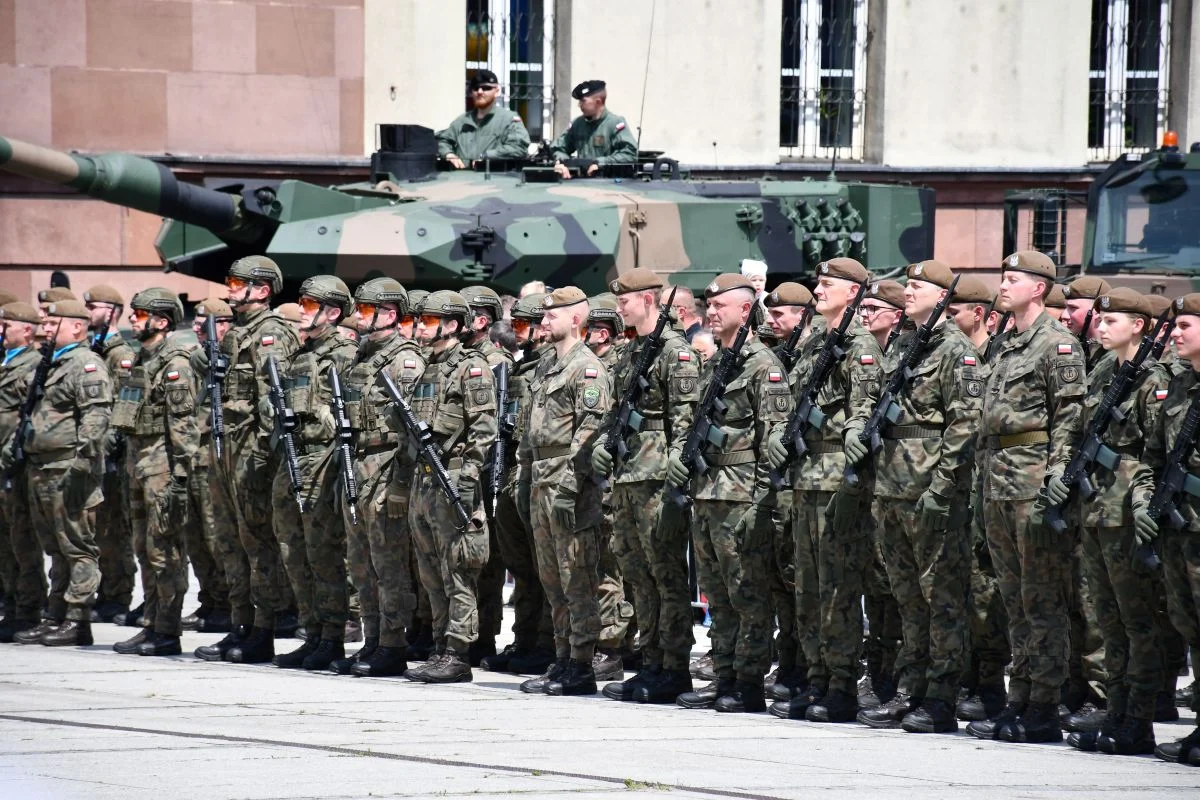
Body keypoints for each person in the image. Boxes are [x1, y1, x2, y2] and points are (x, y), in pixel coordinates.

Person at [856, 261, 981, 734]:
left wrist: (942, 487)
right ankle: (911, 688)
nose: (907, 292)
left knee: (941, 598)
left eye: (916, 286)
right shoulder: (906, 344)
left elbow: (964, 425)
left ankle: (942, 696)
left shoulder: (955, 350)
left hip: (929, 491)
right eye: (907, 285)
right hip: (891, 488)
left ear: (942, 296)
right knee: (908, 599)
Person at [966, 250, 1086, 745]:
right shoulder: (1005, 343)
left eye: (1012, 278)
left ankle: (1044, 705)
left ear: (1039, 287)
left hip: (1032, 485)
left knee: (1042, 599)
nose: (1003, 285)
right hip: (996, 481)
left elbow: (1070, 418)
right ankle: (1019, 696)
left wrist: (1057, 477)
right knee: (1013, 599)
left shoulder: (1057, 344)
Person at [768, 257, 882, 723]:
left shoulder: (860, 345)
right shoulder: (815, 341)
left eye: (828, 284)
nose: (818, 290)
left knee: (837, 590)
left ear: (853, 292)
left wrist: (853, 436)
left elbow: (864, 406)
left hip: (837, 479)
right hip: (804, 478)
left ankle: (840, 685)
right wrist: (778, 434)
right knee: (808, 589)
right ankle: (814, 678)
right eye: (818, 283)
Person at [673, 273, 790, 713]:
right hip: (707, 492)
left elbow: (773, 442)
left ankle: (748, 682)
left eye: (721, 305)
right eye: (709, 304)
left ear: (745, 309)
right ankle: (723, 675)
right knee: (717, 595)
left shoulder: (763, 366)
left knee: (747, 594)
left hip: (741, 497)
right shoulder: (716, 363)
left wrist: (762, 503)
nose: (712, 311)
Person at [1059, 288, 1168, 756]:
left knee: (1136, 619)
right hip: (1096, 507)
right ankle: (1116, 711)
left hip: (1127, 512)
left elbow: (1157, 449)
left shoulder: (1154, 377)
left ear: (1138, 326)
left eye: (1111, 321)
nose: (1100, 328)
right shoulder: (1105, 369)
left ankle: (1138, 720)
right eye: (1100, 321)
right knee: (1108, 620)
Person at [594, 269, 700, 704]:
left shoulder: (676, 352)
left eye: (626, 300)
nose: (619, 307)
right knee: (637, 575)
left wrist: (678, 477)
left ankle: (674, 667)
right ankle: (651, 660)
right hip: (627, 477)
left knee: (665, 574)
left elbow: (686, 418)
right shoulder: (631, 351)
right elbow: (615, 410)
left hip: (657, 479)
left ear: (649, 300)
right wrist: (602, 444)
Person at [203, 256, 300, 664]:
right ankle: (239, 623)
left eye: (236, 282)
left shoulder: (271, 333)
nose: (229, 289)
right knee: (229, 540)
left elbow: (273, 399)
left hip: (252, 450)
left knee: (257, 543)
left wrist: (261, 456)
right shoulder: (238, 331)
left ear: (261, 290)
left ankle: (263, 629)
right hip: (229, 445)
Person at [518, 287, 612, 696]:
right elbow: (530, 427)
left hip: (568, 482)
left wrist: (570, 487)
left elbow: (590, 432)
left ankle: (581, 663)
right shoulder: (546, 365)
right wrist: (524, 477)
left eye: (551, 315)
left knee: (577, 576)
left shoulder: (587, 369)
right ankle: (561, 657)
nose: (543, 322)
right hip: (541, 478)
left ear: (575, 319)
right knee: (552, 577)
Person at [4, 299, 112, 646]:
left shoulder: (85, 364)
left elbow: (96, 416)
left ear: (77, 326)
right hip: (42, 468)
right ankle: (56, 615)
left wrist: (83, 463)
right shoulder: (53, 363)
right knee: (55, 547)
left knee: (77, 546)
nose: (46, 329)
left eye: (53, 324)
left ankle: (78, 620)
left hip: (69, 468)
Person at [333, 278, 426, 678]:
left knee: (388, 562)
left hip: (387, 467)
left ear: (389, 314)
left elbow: (413, 430)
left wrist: (402, 484)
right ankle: (371, 638)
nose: (358, 316)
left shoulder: (405, 360)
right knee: (360, 561)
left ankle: (392, 643)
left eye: (367, 309)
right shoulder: (362, 356)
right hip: (358, 465)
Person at [404, 291, 496, 684]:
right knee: (430, 572)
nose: (421, 326)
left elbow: (484, 430)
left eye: (429, 320)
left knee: (458, 570)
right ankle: (440, 645)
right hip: (424, 480)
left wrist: (468, 479)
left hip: (453, 479)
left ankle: (458, 652)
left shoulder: (471, 369)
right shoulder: (427, 366)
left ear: (453, 325)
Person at [269, 276, 358, 672]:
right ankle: (312, 630)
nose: (302, 310)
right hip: (293, 458)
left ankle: (332, 636)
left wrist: (316, 415)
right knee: (293, 550)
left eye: (309, 304)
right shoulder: (301, 353)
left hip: (323, 461)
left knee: (323, 553)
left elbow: (350, 416)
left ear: (332, 312)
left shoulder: (345, 354)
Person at [108, 289, 197, 657]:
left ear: (161, 321)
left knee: (165, 551)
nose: (133, 318)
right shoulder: (138, 359)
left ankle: (166, 630)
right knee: (144, 549)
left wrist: (180, 478)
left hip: (162, 466)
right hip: (138, 463)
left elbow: (183, 426)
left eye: (140, 313)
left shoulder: (176, 364)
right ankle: (151, 621)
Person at [1133, 293, 1200, 765]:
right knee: (1190, 626)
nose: (1175, 334)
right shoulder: (1180, 385)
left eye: (1186, 326)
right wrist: (1144, 498)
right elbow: (1153, 455)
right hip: (1179, 528)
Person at [945, 276, 1012, 722]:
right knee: (960, 583)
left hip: (990, 483)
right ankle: (965, 674)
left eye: (954, 312)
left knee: (986, 586)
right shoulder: (950, 355)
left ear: (979, 314)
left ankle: (988, 683)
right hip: (961, 486)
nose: (948, 319)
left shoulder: (997, 357)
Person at [481, 293, 556, 676]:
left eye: (525, 325)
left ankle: (546, 642)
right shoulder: (519, 367)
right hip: (511, 470)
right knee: (521, 564)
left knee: (543, 565)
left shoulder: (552, 367)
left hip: (536, 472)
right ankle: (524, 639)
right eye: (517, 325)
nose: (519, 332)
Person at [461, 285, 515, 665]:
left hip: (487, 470)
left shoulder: (497, 362)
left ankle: (483, 637)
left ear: (479, 321)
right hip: (463, 468)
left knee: (486, 560)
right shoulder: (461, 358)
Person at [584, 293, 635, 679]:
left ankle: (612, 648)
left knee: (610, 568)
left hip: (613, 482)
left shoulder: (620, 365)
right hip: (596, 478)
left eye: (594, 329)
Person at [81, 284, 136, 623]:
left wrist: (110, 446)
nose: (88, 311)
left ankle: (117, 594)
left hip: (114, 455)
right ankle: (106, 591)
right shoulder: (96, 350)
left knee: (115, 529)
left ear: (112, 311)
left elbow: (125, 405)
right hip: (97, 453)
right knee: (100, 528)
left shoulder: (120, 355)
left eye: (94, 306)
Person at [183, 298, 236, 635]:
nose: (196, 327)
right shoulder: (196, 357)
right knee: (197, 538)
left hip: (215, 456)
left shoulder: (232, 357)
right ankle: (211, 600)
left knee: (217, 535)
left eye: (204, 322)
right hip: (193, 453)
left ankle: (228, 603)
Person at [0, 301, 49, 642]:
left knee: (22, 540)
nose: (1, 331)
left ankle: (28, 608)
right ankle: (11, 601)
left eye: (6, 325)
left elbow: (30, 416)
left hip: (15, 464)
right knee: (4, 540)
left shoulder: (33, 365)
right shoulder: (6, 362)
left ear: (27, 330)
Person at [437, 69, 531, 169]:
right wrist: (448, 154)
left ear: (497, 91)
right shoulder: (461, 121)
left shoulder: (508, 120)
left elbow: (518, 148)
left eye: (486, 88)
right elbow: (443, 141)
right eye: (476, 88)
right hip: (461, 176)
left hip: (494, 176)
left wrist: (487, 156)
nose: (480, 92)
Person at [550, 80, 638, 180]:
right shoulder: (577, 124)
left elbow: (630, 154)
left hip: (609, 182)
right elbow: (558, 148)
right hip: (580, 182)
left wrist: (600, 163)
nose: (579, 105)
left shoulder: (615, 124)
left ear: (598, 102)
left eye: (583, 101)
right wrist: (563, 163)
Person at [861, 280, 906, 351]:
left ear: (898, 316)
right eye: (862, 307)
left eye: (872, 308)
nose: (863, 314)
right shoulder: (858, 346)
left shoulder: (907, 352)